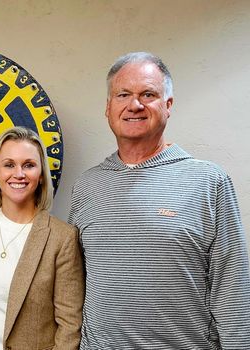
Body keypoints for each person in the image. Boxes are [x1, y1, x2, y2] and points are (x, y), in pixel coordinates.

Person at [69, 52, 250, 349]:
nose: (134, 105)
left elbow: (232, 289)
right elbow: (73, 284)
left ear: (168, 105)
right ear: (108, 108)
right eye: (123, 94)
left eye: (148, 94)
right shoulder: (88, 186)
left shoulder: (208, 181)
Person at [0, 126, 84, 350]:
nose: (19, 174)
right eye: (9, 164)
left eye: (29, 165)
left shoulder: (62, 238)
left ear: (41, 175)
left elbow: (70, 325)